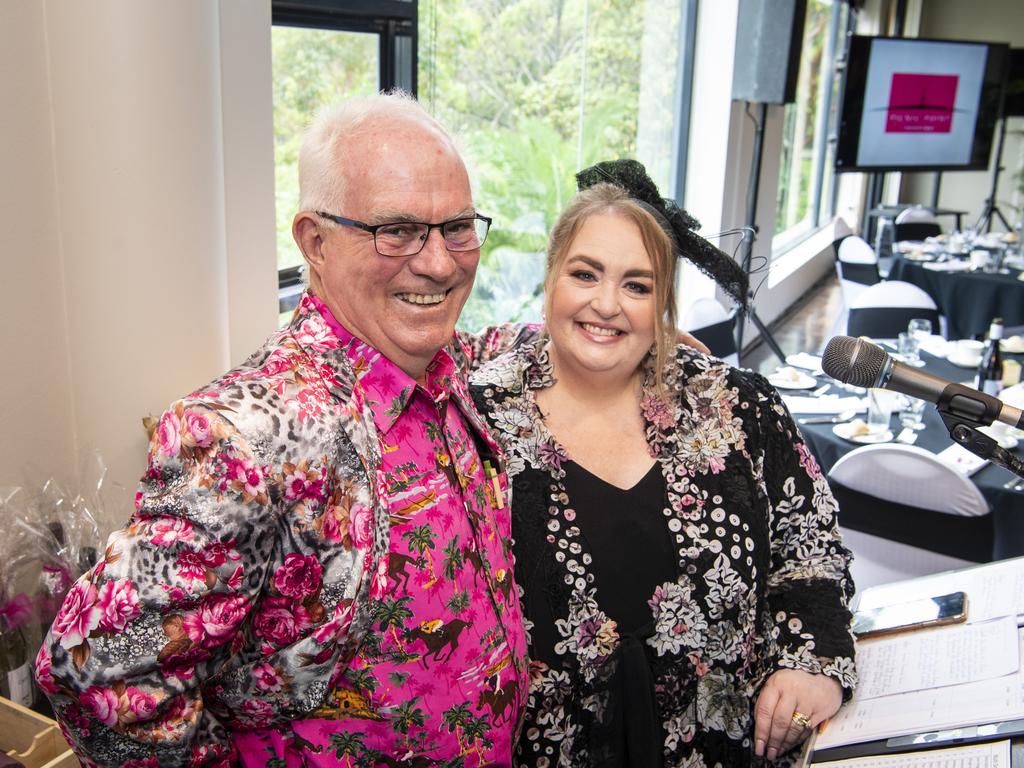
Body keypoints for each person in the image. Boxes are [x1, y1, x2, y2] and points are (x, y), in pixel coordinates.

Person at [36, 92, 532, 767]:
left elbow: (507, 345)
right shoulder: (248, 438)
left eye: (457, 227)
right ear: (315, 242)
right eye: (397, 231)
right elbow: (93, 668)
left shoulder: (442, 369)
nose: (440, 263)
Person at [469, 161, 857, 767]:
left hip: (728, 747)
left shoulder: (738, 407)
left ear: (665, 304)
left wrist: (813, 663)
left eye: (637, 285)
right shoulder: (475, 417)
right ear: (551, 278)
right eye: (585, 273)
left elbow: (811, 549)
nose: (606, 304)